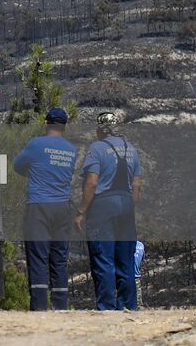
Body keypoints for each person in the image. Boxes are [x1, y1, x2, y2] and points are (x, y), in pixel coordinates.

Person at [74, 111, 143, 310]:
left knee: (104, 259)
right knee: (126, 260)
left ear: (99, 130)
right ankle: (128, 307)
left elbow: (92, 182)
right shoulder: (132, 149)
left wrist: (81, 211)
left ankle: (106, 308)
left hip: (103, 206)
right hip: (126, 204)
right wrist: (130, 207)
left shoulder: (97, 148)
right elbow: (137, 185)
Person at [13, 106, 77, 310]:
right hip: (63, 208)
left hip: (39, 206)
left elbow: (17, 166)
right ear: (64, 127)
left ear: (46, 123)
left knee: (38, 256)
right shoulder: (71, 150)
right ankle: (60, 307)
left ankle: (39, 307)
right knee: (59, 259)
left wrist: (34, 174)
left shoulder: (36, 145)